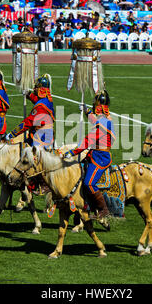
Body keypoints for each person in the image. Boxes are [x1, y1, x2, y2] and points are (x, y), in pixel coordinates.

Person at [63, 90, 116, 219]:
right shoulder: (104, 119)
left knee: (89, 183)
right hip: (94, 154)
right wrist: (87, 111)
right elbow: (95, 120)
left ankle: (103, 209)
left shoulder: (103, 123)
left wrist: (72, 152)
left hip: (100, 158)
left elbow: (88, 141)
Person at [6, 74, 55, 149]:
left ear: (40, 89)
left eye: (36, 87)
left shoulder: (40, 106)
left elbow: (28, 122)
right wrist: (29, 94)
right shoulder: (47, 100)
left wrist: (13, 133)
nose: (34, 88)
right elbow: (37, 100)